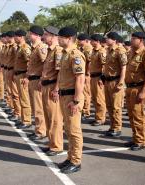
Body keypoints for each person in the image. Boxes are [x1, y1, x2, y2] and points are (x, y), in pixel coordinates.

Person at [57, 26, 85, 174]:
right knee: (68, 129)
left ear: (68, 38)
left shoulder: (76, 55)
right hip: (64, 95)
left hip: (72, 96)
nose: (58, 39)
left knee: (74, 131)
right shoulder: (65, 54)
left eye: (60, 37)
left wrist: (76, 101)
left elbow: (80, 79)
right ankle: (70, 158)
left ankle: (76, 161)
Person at [124, 32, 145, 151]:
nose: (131, 40)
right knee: (131, 115)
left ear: (140, 40)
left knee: (138, 116)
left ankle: (141, 141)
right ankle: (135, 138)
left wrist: (144, 91)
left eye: (133, 38)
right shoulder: (132, 52)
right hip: (130, 88)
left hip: (139, 88)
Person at [39, 26, 63, 155]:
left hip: (52, 87)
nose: (43, 36)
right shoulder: (49, 50)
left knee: (55, 119)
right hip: (46, 85)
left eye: (46, 35)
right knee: (48, 117)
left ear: (53, 36)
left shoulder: (58, 51)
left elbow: (60, 72)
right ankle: (51, 143)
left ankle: (57, 146)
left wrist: (56, 89)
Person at [20, 25, 47, 132]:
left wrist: (42, 79)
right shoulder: (33, 47)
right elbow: (31, 66)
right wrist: (27, 77)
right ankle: (38, 129)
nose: (29, 35)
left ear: (37, 35)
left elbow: (46, 64)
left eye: (31, 34)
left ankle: (41, 131)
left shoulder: (41, 48)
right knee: (35, 107)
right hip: (32, 79)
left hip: (37, 80)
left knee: (38, 107)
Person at [104, 32, 127, 137]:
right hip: (108, 81)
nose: (106, 40)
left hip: (116, 81)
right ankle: (112, 126)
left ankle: (117, 128)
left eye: (108, 38)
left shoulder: (120, 50)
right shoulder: (108, 50)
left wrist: (121, 81)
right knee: (109, 106)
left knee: (116, 106)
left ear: (114, 40)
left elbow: (123, 67)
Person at [13, 29, 32, 128]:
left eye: (16, 36)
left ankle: (27, 121)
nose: (14, 38)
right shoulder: (19, 47)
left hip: (23, 76)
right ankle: (23, 118)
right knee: (21, 98)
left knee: (25, 99)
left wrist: (27, 77)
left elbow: (29, 63)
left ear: (21, 37)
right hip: (18, 75)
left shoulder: (25, 48)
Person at [89, 34, 107, 126]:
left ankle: (101, 119)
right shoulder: (93, 51)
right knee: (94, 98)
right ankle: (97, 117)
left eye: (92, 40)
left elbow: (104, 66)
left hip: (98, 77)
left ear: (98, 41)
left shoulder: (102, 51)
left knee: (99, 99)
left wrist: (102, 78)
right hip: (92, 77)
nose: (91, 42)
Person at [77, 33, 93, 119]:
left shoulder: (88, 49)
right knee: (83, 92)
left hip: (86, 74)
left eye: (80, 40)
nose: (78, 42)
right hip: (83, 73)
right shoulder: (82, 48)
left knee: (86, 93)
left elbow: (89, 62)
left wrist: (87, 73)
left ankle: (86, 112)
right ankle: (84, 109)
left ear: (86, 41)